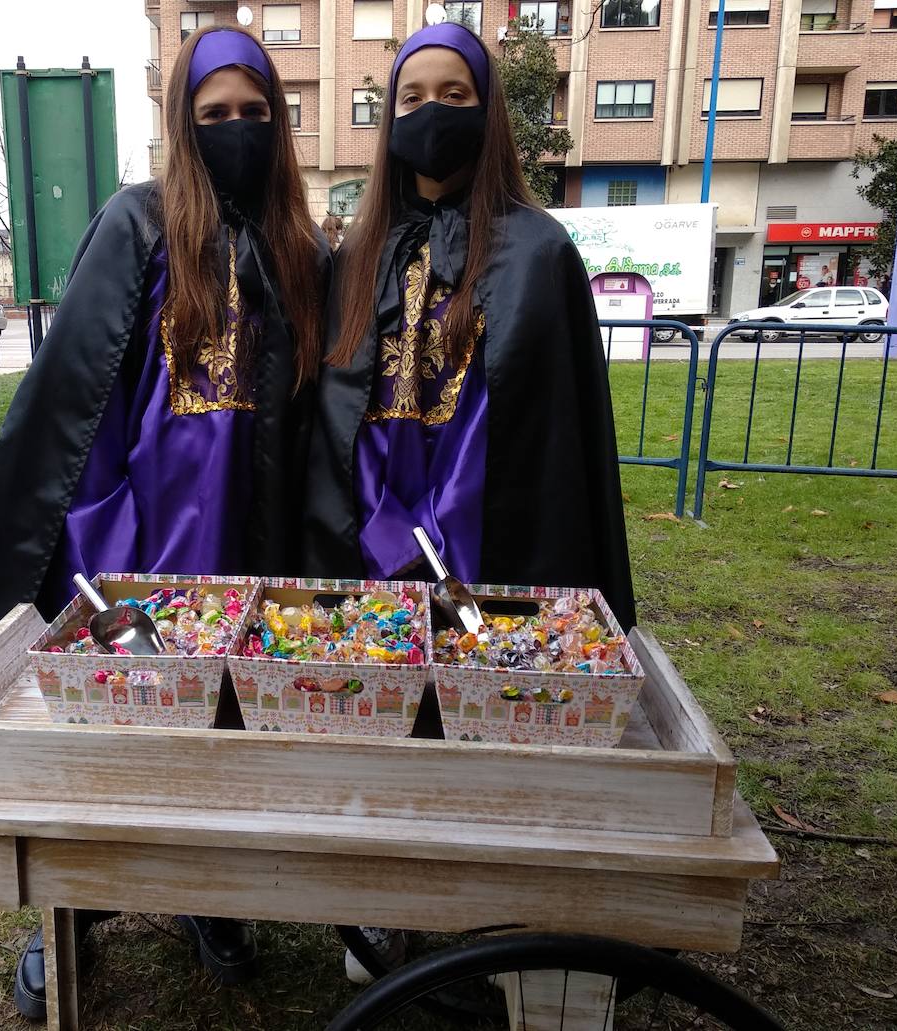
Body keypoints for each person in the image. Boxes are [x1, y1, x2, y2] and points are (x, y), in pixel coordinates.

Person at [0, 26, 325, 1018]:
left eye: (255, 115)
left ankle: (212, 899)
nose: (237, 131)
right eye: (216, 116)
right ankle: (75, 911)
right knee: (123, 740)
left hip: (259, 539)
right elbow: (78, 399)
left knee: (237, 732)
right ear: (182, 124)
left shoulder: (300, 246)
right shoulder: (137, 224)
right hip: (148, 542)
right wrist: (101, 534)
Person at [305, 27, 635, 981]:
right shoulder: (358, 250)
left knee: (494, 722)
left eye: (454, 94)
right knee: (372, 722)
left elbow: (531, 426)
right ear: (386, 118)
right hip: (367, 533)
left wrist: (437, 534)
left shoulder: (539, 252)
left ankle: (503, 905)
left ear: (486, 115)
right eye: (411, 98)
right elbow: (338, 410)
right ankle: (374, 902)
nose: (431, 114)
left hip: (493, 535)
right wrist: (379, 524)